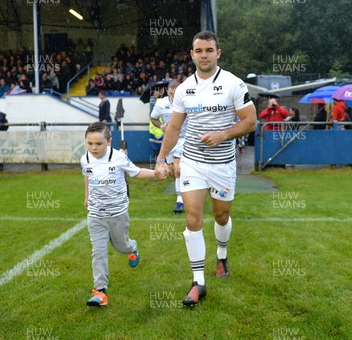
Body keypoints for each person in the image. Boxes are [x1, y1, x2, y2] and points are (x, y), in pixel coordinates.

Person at [154, 31, 257, 306]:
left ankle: (222, 255)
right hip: (193, 163)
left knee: (221, 216)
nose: (204, 55)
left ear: (218, 53)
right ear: (192, 54)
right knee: (192, 219)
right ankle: (198, 282)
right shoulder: (185, 88)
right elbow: (174, 127)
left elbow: (250, 121)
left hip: (223, 165)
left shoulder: (233, 84)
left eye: (209, 50)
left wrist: (223, 135)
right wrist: (162, 158)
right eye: (198, 50)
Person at [81, 122, 159, 307]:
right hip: (95, 214)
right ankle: (100, 291)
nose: (93, 148)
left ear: (108, 141)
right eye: (90, 143)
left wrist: (156, 173)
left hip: (118, 214)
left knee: (121, 246)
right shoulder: (85, 159)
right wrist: (87, 196)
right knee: (98, 252)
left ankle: (132, 248)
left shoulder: (119, 158)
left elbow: (136, 172)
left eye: (98, 144)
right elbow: (87, 175)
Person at [150, 80, 187, 213]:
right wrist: (161, 126)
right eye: (170, 88)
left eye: (175, 88)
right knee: (174, 171)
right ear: (167, 90)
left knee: (178, 168)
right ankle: (185, 195)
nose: (172, 90)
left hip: (185, 139)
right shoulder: (161, 104)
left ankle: (180, 201)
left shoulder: (185, 101)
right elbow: (153, 118)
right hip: (170, 140)